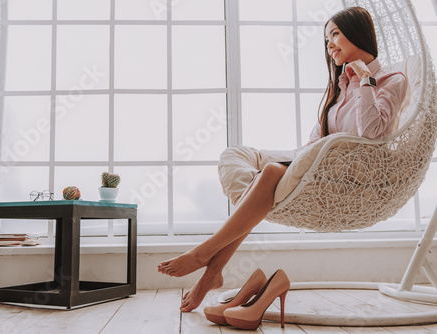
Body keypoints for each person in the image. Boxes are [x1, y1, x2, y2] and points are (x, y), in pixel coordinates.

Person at [157, 6, 408, 312]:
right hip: (317, 161)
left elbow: (370, 133)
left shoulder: (392, 79)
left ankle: (205, 258)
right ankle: (212, 270)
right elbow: (316, 141)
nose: (329, 44)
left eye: (335, 34)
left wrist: (365, 80)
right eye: (326, 37)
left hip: (354, 174)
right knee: (245, 161)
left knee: (272, 175)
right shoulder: (339, 85)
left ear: (358, 33)